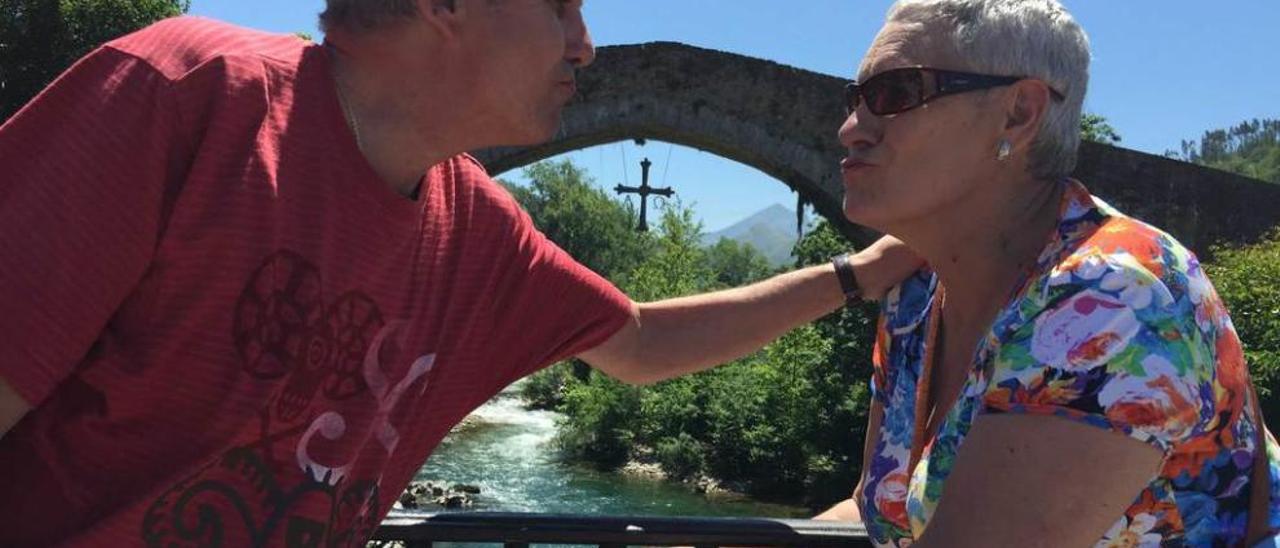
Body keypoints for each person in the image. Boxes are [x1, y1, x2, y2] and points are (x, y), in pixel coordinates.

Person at [0, 0, 920, 545]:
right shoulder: (187, 96)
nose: (586, 44)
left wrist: (866, 271)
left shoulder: (477, 228)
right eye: (559, 3)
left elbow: (640, 342)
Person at [812, 0, 1280, 546]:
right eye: (855, 100)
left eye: (894, 94)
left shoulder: (1114, 296)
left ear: (1019, 113)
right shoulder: (916, 300)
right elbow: (885, 515)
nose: (851, 129)